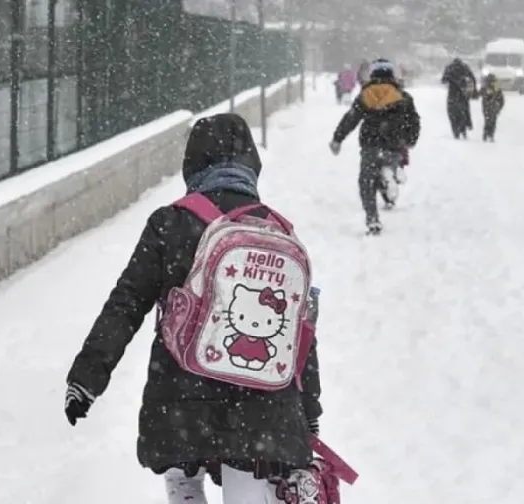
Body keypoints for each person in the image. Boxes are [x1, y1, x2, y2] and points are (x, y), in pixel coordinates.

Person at [63, 113, 323, 503]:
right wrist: (309, 408)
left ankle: (184, 485)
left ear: (192, 165)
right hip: (262, 407)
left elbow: (127, 302)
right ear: (252, 165)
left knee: (182, 465)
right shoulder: (277, 231)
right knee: (250, 481)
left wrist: (87, 377)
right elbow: (298, 332)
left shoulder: (170, 223)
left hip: (181, 398)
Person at [329, 58, 421, 235]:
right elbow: (414, 121)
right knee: (389, 164)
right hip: (394, 144)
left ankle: (372, 220)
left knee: (366, 182)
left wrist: (337, 139)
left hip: (370, 144)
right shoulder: (403, 97)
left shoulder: (365, 95)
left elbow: (351, 119)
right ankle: (391, 174)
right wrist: (410, 140)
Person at [441, 58, 478, 139]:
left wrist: (451, 79)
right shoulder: (465, 67)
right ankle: (464, 128)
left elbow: (443, 80)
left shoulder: (449, 68)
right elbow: (473, 78)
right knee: (464, 112)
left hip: (452, 94)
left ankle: (456, 132)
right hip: (463, 94)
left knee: (452, 114)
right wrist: (474, 91)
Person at [480, 73, 505, 142]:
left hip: (490, 108)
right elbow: (501, 99)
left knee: (489, 121)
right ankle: (489, 134)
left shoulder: (493, 88)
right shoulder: (493, 88)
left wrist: (499, 107)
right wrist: (499, 107)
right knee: (491, 121)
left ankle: (487, 134)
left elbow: (501, 99)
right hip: (492, 108)